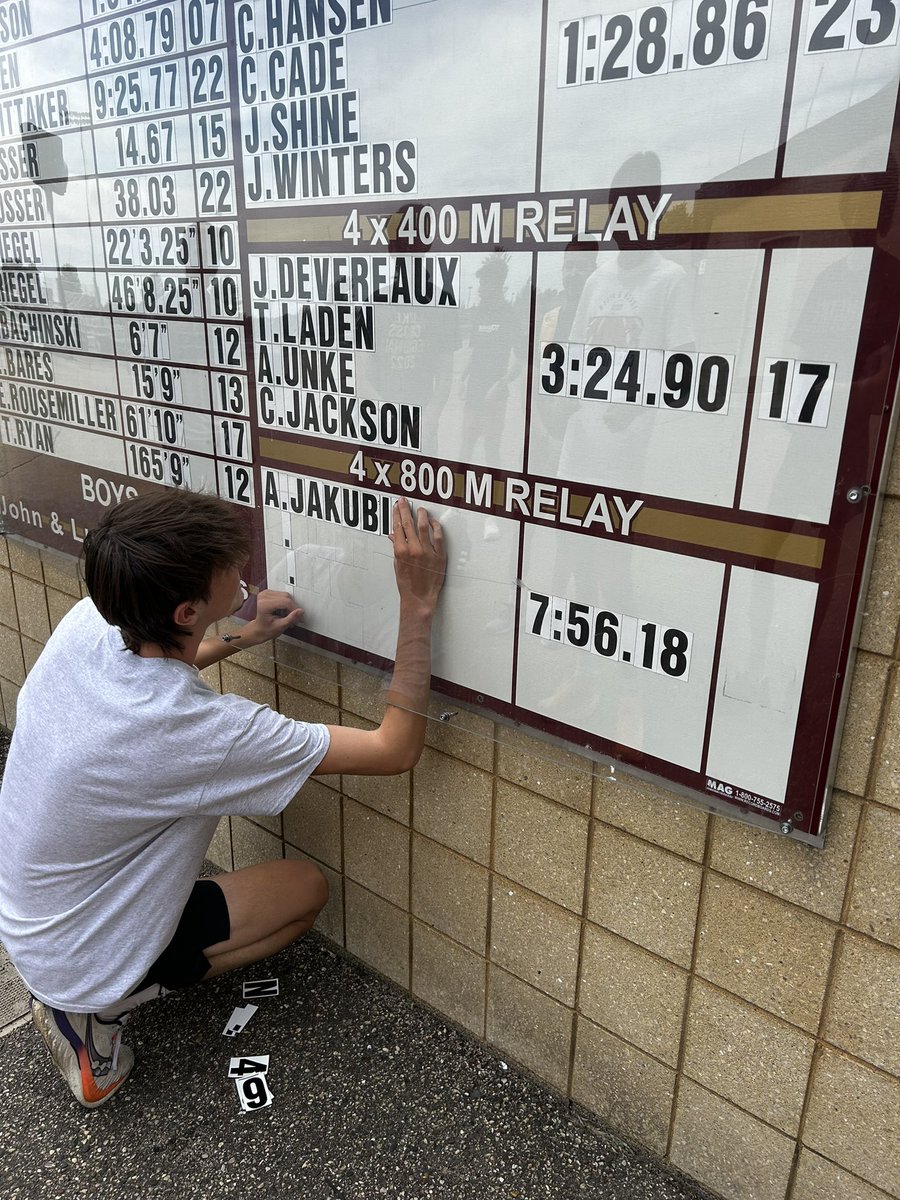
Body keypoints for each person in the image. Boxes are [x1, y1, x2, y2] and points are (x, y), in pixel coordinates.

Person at [0, 488, 445, 1108]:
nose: (243, 571)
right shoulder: (194, 731)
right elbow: (393, 749)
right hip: (80, 955)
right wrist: (418, 607)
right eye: (230, 573)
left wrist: (241, 634)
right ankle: (96, 1013)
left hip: (29, 923)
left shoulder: (94, 620)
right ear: (186, 611)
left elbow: (160, 670)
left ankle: (75, 987)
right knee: (301, 893)